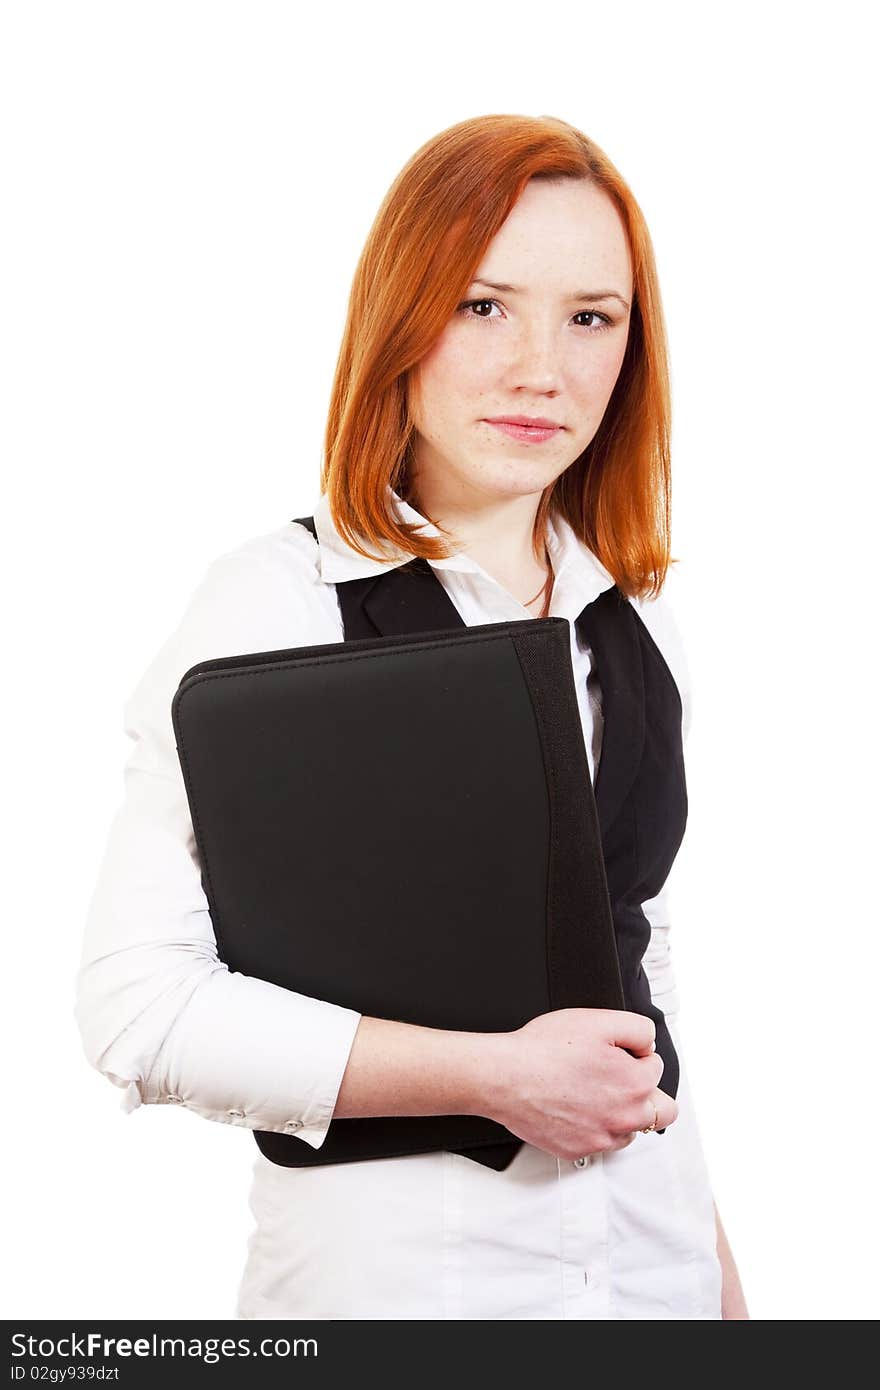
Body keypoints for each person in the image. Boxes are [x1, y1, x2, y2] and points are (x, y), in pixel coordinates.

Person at [75, 112, 748, 1320]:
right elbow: (141, 1009)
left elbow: (640, 995)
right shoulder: (274, 602)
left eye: (589, 316)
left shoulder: (639, 619)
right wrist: (494, 1077)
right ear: (403, 318)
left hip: (653, 1284)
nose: (542, 366)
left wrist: (724, 1300)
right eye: (484, 305)